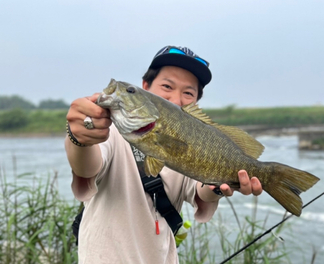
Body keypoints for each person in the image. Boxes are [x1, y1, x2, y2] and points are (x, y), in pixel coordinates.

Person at [65, 45, 263, 264]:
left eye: (188, 92)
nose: (175, 99)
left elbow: (201, 191)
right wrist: (80, 139)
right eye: (167, 86)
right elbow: (86, 167)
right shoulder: (109, 133)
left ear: (196, 101)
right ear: (146, 87)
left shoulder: (193, 141)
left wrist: (220, 186)